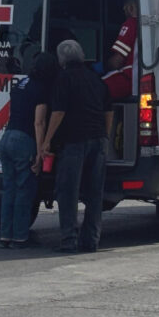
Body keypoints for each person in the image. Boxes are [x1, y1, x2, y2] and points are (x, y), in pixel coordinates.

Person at [41, 40, 113, 254]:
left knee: (68, 192)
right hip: (98, 140)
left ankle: (69, 241)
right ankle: (91, 241)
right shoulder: (96, 78)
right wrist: (105, 136)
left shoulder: (63, 79)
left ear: (61, 60)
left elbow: (58, 112)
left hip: (73, 142)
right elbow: (108, 111)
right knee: (94, 193)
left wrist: (47, 140)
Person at [0, 53, 59, 249]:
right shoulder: (41, 89)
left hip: (6, 139)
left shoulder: (20, 84)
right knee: (24, 191)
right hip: (24, 141)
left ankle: (5, 236)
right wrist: (41, 151)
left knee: (9, 190)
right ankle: (21, 238)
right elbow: (38, 122)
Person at [102, 0, 138, 99]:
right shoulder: (149, 26)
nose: (123, 10)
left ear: (131, 8)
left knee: (94, 88)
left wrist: (103, 66)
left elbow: (116, 62)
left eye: (125, 7)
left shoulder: (131, 24)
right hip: (139, 79)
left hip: (128, 78)